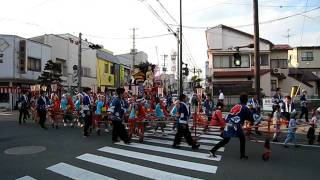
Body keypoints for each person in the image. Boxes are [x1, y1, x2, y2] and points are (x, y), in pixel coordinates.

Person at [209, 93, 254, 159]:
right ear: (246, 100)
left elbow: (231, 114)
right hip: (235, 125)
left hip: (228, 123)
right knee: (241, 139)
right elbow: (251, 118)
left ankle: (213, 150)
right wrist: (251, 122)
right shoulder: (245, 108)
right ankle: (242, 155)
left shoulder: (236, 106)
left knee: (227, 140)